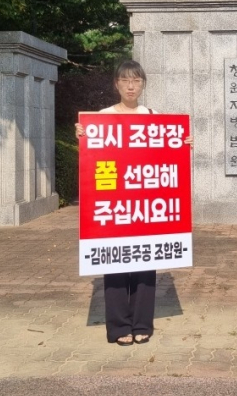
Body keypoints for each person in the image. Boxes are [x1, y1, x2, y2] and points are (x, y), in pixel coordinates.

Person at [75, 59, 192, 346]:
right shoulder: (101, 117)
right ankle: (118, 328)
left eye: (136, 80)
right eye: (125, 80)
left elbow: (164, 158)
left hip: (144, 206)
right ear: (116, 84)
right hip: (114, 206)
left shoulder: (152, 116)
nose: (131, 86)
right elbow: (93, 160)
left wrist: (182, 142)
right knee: (115, 265)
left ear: (142, 84)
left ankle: (142, 325)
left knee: (144, 266)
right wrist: (80, 135)